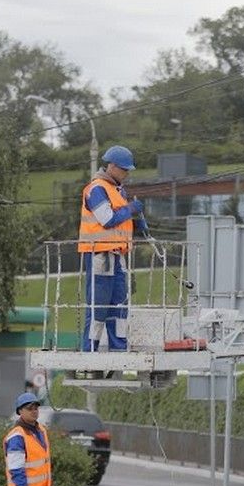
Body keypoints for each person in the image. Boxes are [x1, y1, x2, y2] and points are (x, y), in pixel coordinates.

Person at [78, 145, 149, 353]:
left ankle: (119, 347)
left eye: (128, 170)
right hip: (100, 255)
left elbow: (118, 223)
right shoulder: (96, 189)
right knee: (98, 307)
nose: (127, 174)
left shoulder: (117, 190)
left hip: (117, 255)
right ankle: (89, 349)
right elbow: (107, 220)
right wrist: (131, 209)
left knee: (119, 305)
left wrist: (135, 225)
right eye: (124, 169)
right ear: (111, 166)